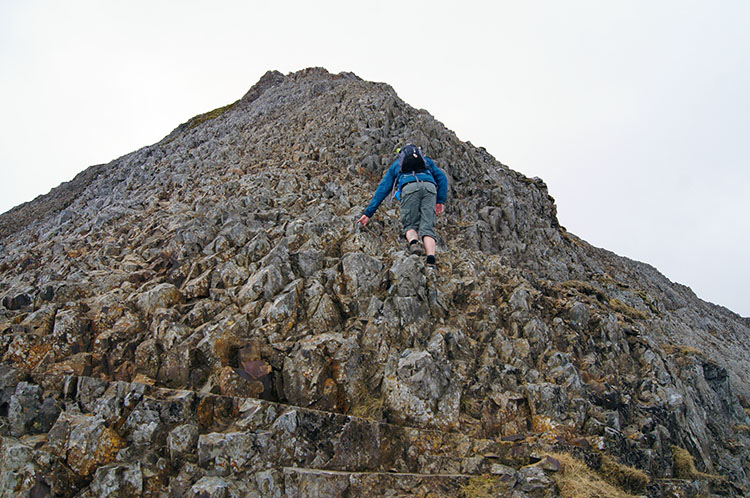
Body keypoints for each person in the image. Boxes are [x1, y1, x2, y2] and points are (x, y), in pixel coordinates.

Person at [357, 144, 448, 270]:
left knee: (410, 224)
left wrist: (368, 213)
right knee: (428, 226)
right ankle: (431, 260)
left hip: (409, 187)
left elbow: (383, 189)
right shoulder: (427, 162)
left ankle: (414, 243)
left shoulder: (397, 165)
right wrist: (440, 201)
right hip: (429, 187)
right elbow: (442, 178)